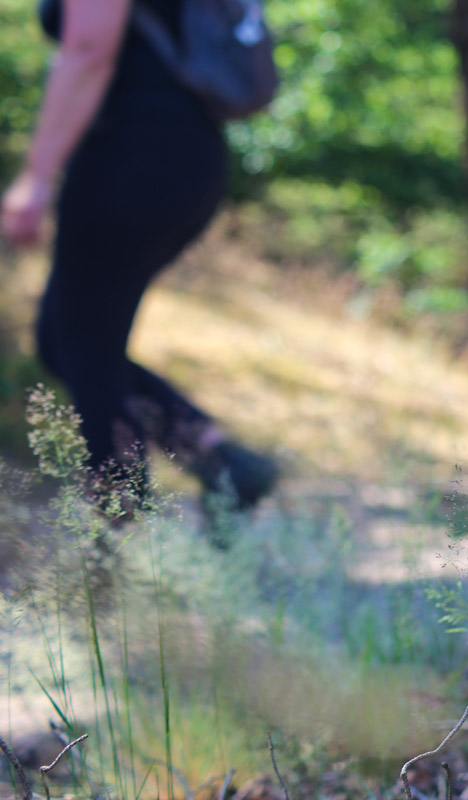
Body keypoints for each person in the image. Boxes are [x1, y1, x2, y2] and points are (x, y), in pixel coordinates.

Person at [1, 0, 278, 526]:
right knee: (66, 341)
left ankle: (118, 536)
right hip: (176, 152)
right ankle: (219, 461)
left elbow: (87, 52)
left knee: (83, 343)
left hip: (133, 152)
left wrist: (35, 176)